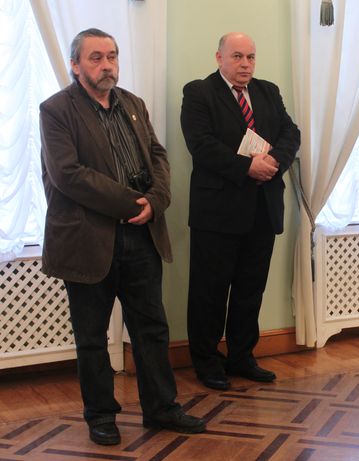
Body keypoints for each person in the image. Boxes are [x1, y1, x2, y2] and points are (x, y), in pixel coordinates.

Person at [39, 28, 206, 445]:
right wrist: (133, 203)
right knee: (92, 338)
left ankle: (162, 407)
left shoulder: (133, 103)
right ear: (75, 65)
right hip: (88, 241)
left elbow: (158, 157)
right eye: (95, 57)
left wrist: (156, 200)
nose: (107, 65)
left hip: (142, 236)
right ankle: (101, 416)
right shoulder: (56, 110)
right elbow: (68, 175)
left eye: (112, 56)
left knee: (152, 328)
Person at [180, 32, 300, 391]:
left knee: (250, 289)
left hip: (262, 208)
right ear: (219, 57)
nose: (245, 64)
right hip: (217, 213)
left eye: (250, 57)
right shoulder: (199, 92)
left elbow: (290, 133)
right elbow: (201, 145)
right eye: (237, 56)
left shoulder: (268, 91)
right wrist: (247, 167)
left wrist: (273, 163)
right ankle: (206, 361)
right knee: (209, 292)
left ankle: (242, 356)